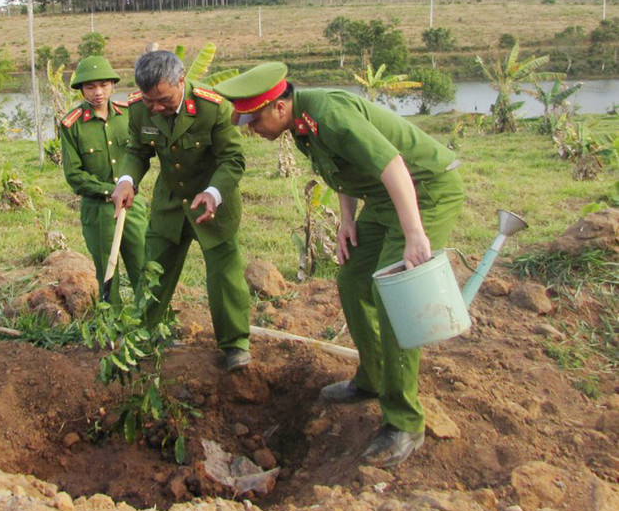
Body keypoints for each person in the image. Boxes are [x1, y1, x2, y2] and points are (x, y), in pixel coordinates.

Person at [214, 62, 464, 466]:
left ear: (279, 107)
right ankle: (372, 379)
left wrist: (415, 233)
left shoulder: (329, 114)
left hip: (424, 189)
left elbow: (393, 166)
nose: (251, 129)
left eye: (254, 119)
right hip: (383, 197)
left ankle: (404, 422)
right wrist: (347, 220)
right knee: (351, 278)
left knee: (394, 296)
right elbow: (342, 170)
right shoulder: (301, 125)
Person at [110, 50, 252, 371]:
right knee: (153, 271)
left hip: (213, 203)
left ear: (181, 80)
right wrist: (127, 180)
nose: (156, 108)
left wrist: (214, 193)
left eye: (164, 100)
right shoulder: (138, 109)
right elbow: (137, 151)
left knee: (225, 275)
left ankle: (235, 344)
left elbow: (233, 159)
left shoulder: (213, 106)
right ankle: (142, 338)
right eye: (150, 101)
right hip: (170, 204)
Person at [60, 55, 147, 303]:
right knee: (108, 274)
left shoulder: (128, 115)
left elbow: (142, 154)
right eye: (90, 87)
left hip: (132, 206)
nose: (98, 92)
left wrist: (127, 189)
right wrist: (111, 190)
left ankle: (150, 319)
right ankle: (112, 321)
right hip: (99, 210)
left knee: (143, 267)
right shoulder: (72, 125)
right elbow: (74, 175)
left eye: (103, 85)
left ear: (112, 85)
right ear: (81, 89)